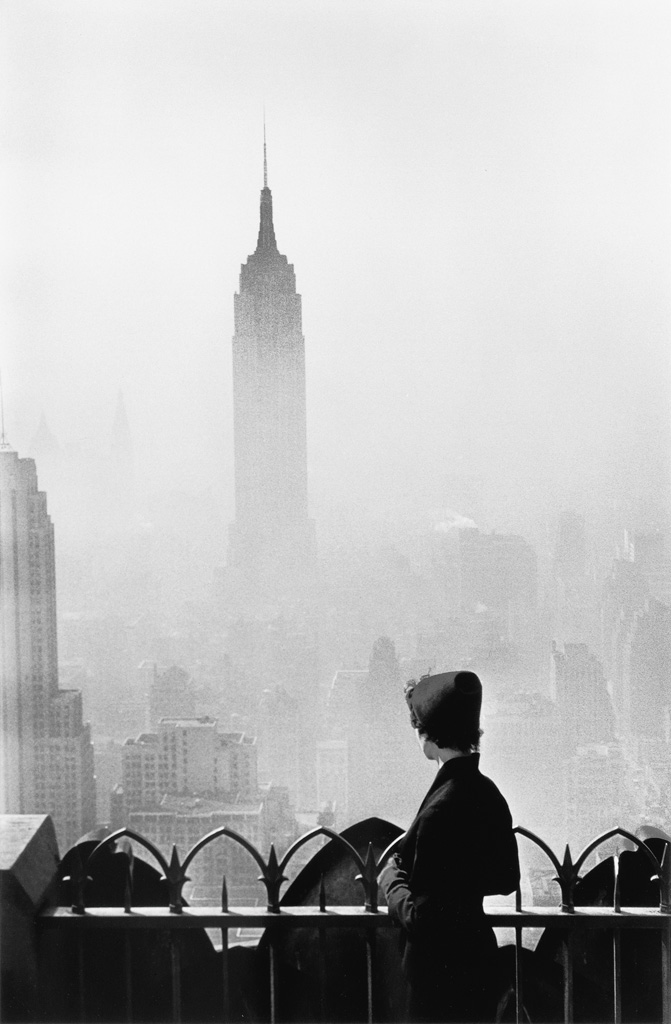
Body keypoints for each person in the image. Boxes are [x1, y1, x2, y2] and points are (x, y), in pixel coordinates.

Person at [378, 670, 520, 1023]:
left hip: (437, 982)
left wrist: (390, 880)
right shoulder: (489, 795)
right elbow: (506, 878)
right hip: (479, 965)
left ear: (429, 735)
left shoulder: (440, 809)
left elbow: (422, 918)